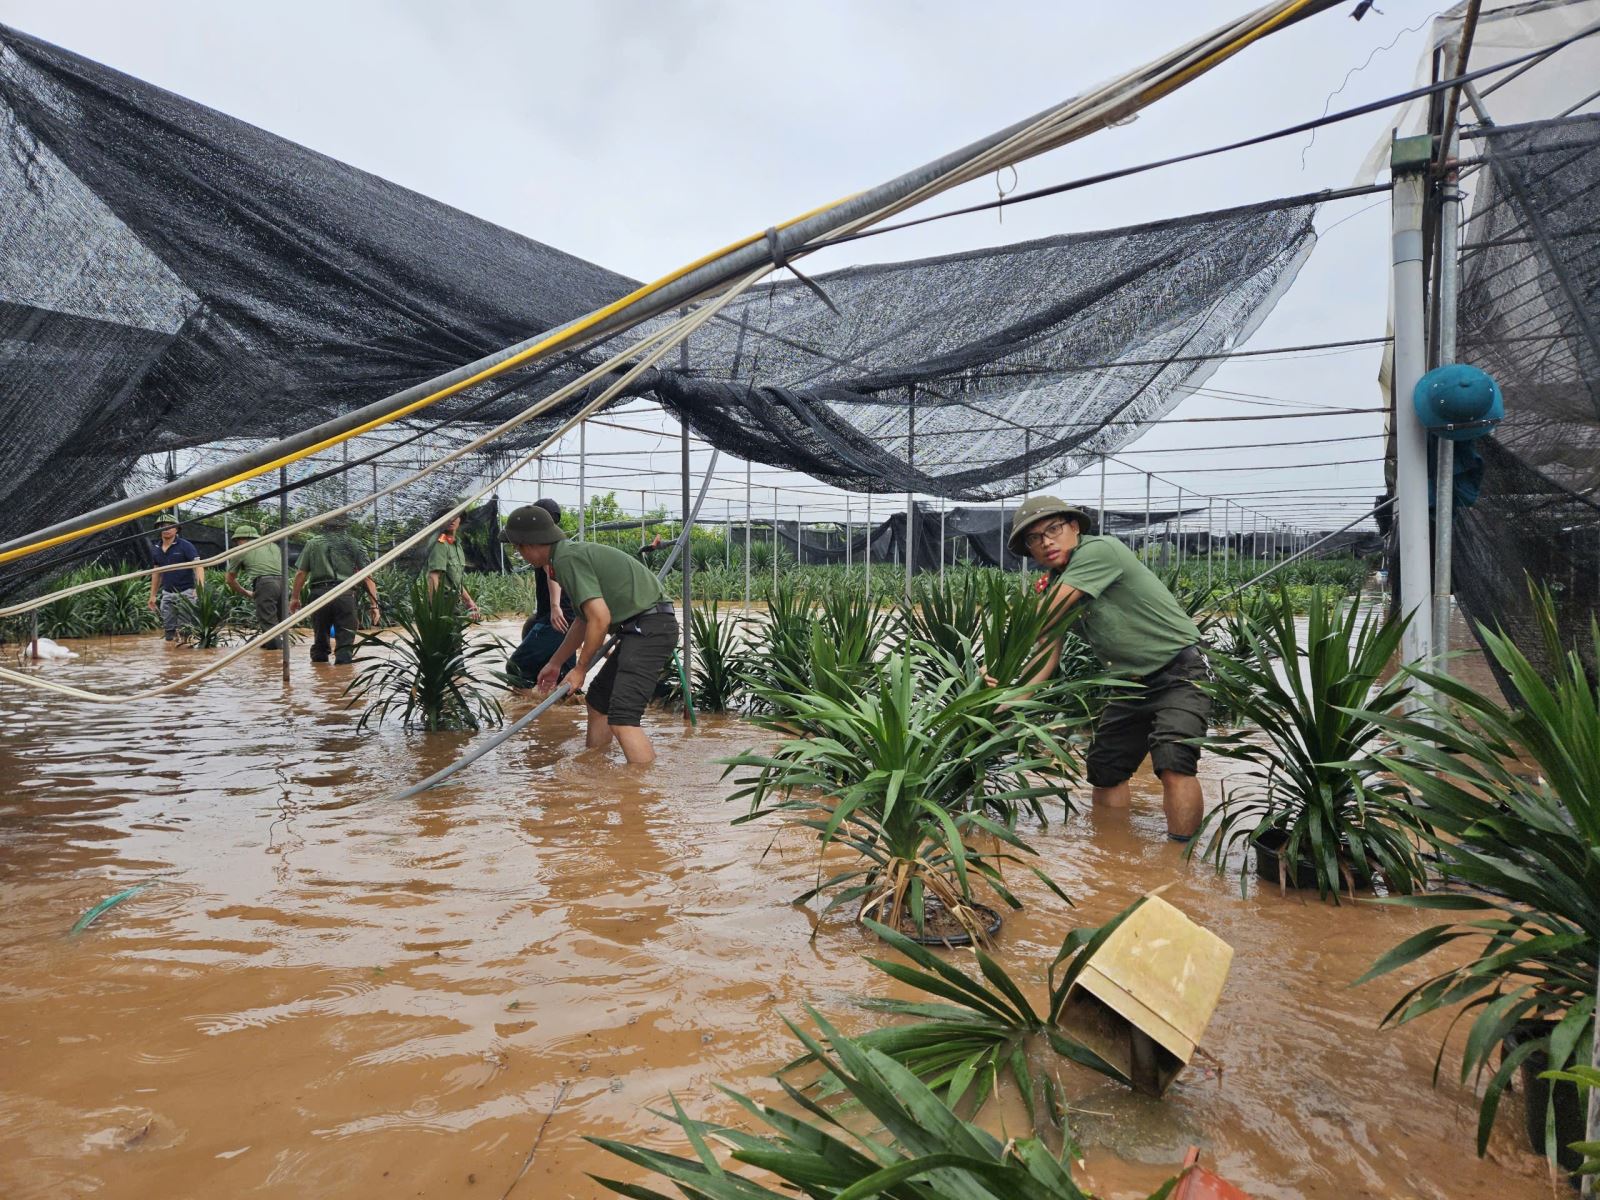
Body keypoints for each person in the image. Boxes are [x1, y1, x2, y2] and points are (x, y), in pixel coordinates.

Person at [1003, 495, 1210, 841]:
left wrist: (1000, 653)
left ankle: (1179, 863)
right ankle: (1114, 849)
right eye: (1034, 538)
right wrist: (1009, 696)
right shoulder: (1055, 586)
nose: (1047, 541)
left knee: (1174, 760)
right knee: (1106, 769)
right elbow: (1045, 656)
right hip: (1130, 685)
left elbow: (1039, 621)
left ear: (1073, 527)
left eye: (1053, 529)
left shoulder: (1099, 551)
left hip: (1180, 672)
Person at [500, 502, 678, 765]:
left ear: (529, 543)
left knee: (623, 718)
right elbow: (584, 620)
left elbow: (601, 618)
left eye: (517, 547)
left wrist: (581, 668)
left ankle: (643, 797)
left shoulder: (566, 559)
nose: (519, 553)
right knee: (598, 702)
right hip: (642, 628)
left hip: (649, 628)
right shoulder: (563, 558)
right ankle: (595, 770)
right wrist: (556, 663)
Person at [288, 517, 380, 665]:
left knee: (320, 640)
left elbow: (301, 573)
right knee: (345, 643)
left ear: (324, 526)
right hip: (345, 594)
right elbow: (368, 577)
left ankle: (320, 680)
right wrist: (374, 606)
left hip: (319, 595)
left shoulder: (313, 543)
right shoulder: (355, 544)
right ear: (345, 526)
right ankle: (341, 679)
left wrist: (294, 598)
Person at [505, 498, 576, 686]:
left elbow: (550, 572)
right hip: (564, 618)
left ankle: (525, 713)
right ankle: (561, 715)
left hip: (557, 619)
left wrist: (555, 607)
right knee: (564, 681)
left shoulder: (545, 547)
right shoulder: (560, 545)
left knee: (516, 669)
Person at [224, 524, 286, 650]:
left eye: (237, 541)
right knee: (281, 621)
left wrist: (246, 593)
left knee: (268, 622)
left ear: (241, 539)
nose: (237, 544)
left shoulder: (242, 549)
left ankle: (274, 659)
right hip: (284, 583)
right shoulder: (273, 546)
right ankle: (274, 647)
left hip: (265, 584)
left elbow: (230, 580)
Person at [147, 511, 204, 644]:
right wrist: (153, 595)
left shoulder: (186, 546)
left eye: (169, 526)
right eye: (162, 526)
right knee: (168, 630)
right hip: (167, 593)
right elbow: (156, 572)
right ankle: (171, 656)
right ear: (158, 529)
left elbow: (199, 566)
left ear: (177, 529)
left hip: (186, 592)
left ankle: (185, 658)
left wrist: (199, 588)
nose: (166, 529)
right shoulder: (156, 548)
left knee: (185, 630)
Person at [424, 509, 481, 619]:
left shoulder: (457, 545)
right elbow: (433, 576)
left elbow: (455, 580)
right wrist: (436, 608)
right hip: (443, 603)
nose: (452, 519)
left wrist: (469, 601)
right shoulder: (439, 543)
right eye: (448, 516)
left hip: (453, 602)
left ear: (460, 519)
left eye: (455, 516)